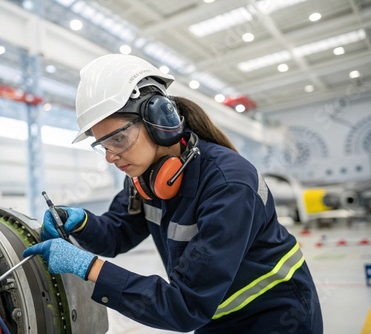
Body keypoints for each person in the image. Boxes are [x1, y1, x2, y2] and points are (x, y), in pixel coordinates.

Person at [23, 54, 323, 333]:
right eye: (103, 145)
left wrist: (87, 267)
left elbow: (184, 305)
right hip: (214, 316)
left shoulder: (228, 184)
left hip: (276, 316)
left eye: (118, 138)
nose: (110, 157)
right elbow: (118, 233)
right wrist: (79, 221)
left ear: (161, 119)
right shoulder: (145, 177)